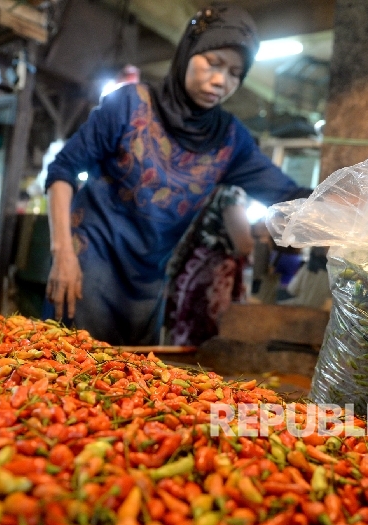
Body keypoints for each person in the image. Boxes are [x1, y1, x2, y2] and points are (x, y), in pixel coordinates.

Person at [44, 3, 311, 345]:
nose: (220, 80)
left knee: (130, 384)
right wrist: (62, 254)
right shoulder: (129, 105)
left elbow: (286, 193)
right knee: (69, 375)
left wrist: (352, 203)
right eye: (212, 63)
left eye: (234, 73)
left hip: (148, 285)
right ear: (187, 53)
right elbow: (62, 171)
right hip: (86, 268)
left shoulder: (230, 139)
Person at [163, 185, 253, 346]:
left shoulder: (202, 186)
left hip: (192, 269)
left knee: (185, 335)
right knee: (205, 338)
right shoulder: (231, 192)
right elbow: (244, 245)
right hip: (212, 276)